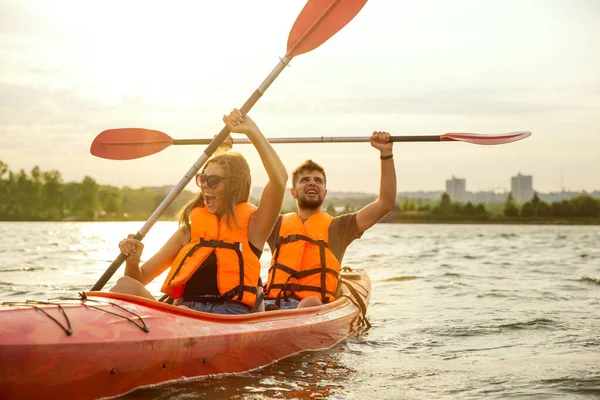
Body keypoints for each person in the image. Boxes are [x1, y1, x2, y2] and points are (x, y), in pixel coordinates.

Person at [109, 109, 287, 315]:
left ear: (234, 186)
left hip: (228, 316)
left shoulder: (254, 227)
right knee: (125, 285)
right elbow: (139, 280)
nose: (205, 188)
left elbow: (279, 179)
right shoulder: (188, 233)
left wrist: (251, 130)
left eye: (213, 181)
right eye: (202, 179)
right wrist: (132, 259)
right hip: (183, 313)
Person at [263, 131, 396, 310]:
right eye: (304, 180)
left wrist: (386, 153)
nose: (312, 183)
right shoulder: (274, 224)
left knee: (311, 302)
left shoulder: (340, 227)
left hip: (311, 308)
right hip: (271, 305)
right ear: (293, 193)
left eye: (318, 180)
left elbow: (385, 203)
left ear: (325, 193)